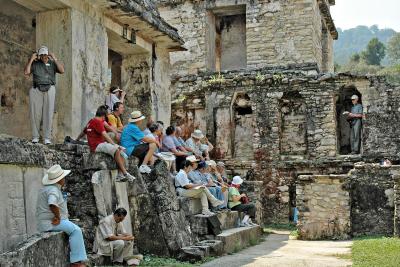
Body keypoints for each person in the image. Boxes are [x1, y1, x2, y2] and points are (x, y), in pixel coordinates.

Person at [36, 164, 87, 267]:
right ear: (59, 179)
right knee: (76, 230)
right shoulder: (53, 190)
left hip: (44, 222)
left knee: (73, 228)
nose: (64, 179)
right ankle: (76, 262)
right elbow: (52, 204)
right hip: (50, 223)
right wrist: (58, 217)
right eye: (63, 177)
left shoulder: (46, 189)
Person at [76, 105, 135, 182]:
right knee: (118, 150)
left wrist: (77, 139)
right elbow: (105, 135)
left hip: (96, 145)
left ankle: (120, 174)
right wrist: (114, 145)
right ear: (103, 116)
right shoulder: (98, 122)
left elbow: (83, 132)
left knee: (121, 150)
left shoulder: (91, 121)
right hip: (98, 146)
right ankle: (124, 173)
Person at [24, 45, 65, 145]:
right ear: (39, 55)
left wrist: (54, 58)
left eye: (45, 54)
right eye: (41, 55)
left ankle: (47, 137)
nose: (44, 57)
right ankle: (35, 136)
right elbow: (26, 72)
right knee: (35, 114)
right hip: (36, 89)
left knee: (48, 113)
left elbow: (62, 70)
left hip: (49, 88)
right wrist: (31, 59)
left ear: (48, 54)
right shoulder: (35, 63)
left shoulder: (52, 63)